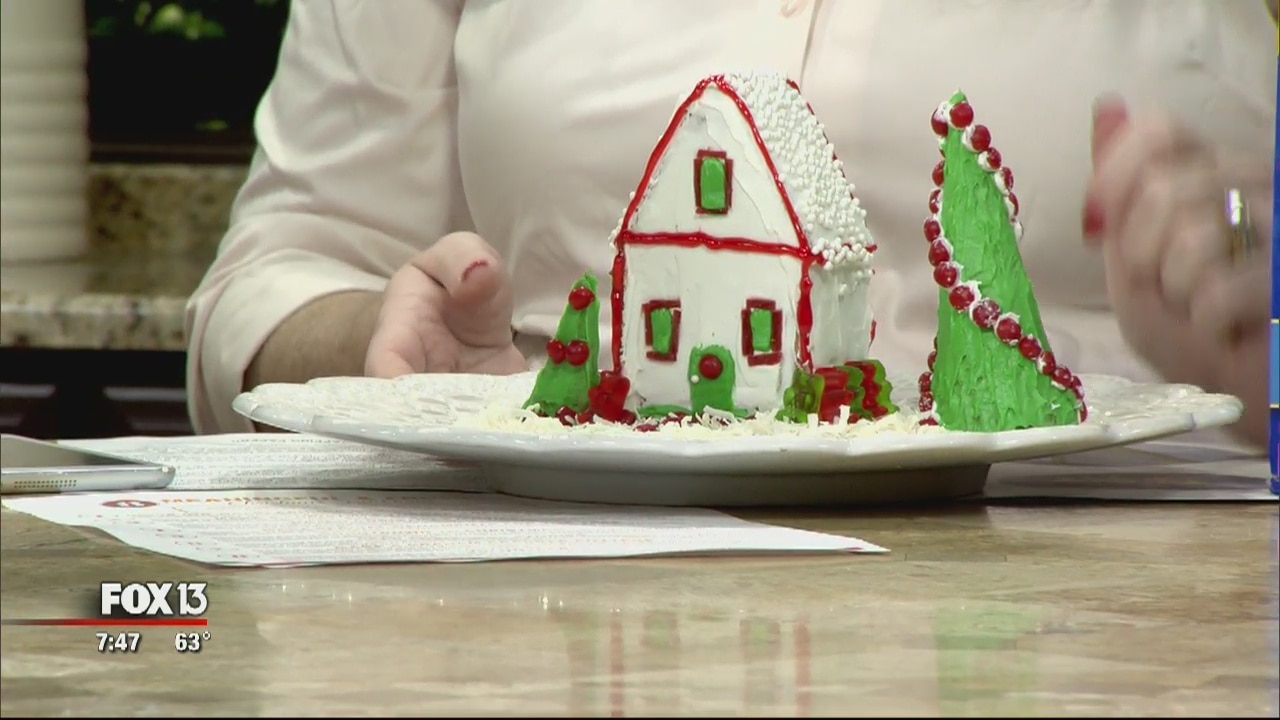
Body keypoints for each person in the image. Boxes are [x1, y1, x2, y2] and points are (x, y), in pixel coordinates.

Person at [185, 0, 1277, 449]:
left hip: (1125, 609)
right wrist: (388, 350)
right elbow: (275, 272)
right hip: (557, 590)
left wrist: (1256, 348)